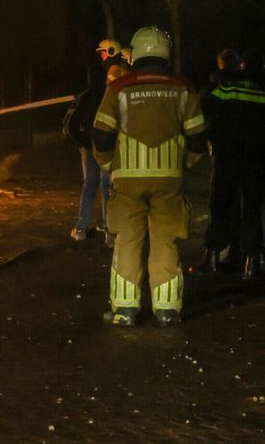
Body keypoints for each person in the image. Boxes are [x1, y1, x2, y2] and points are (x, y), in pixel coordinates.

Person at [92, 26, 207, 326]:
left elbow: (101, 136)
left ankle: (125, 310)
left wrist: (108, 165)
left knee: (127, 241)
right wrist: (183, 165)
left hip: (128, 182)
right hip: (169, 181)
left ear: (136, 51)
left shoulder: (117, 88)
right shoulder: (183, 89)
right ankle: (167, 310)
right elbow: (198, 139)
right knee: (166, 241)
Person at [201, 49, 265, 278]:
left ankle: (213, 255)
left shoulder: (230, 86)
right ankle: (251, 261)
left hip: (229, 156)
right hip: (259, 159)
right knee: (252, 209)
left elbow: (208, 106)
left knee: (220, 206)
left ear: (242, 65)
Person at [63, 40, 121, 241]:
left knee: (89, 186)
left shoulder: (84, 97)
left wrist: (82, 142)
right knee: (107, 188)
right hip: (106, 147)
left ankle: (81, 229)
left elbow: (69, 127)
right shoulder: (110, 96)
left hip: (89, 148)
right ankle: (109, 231)